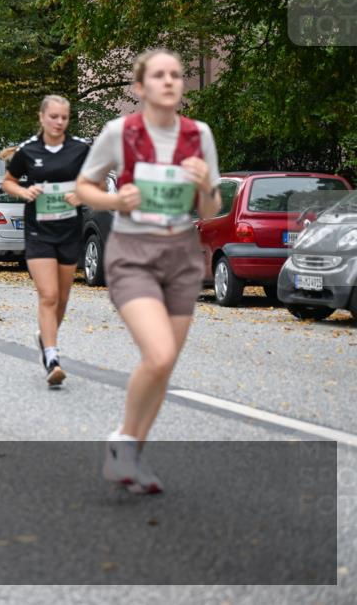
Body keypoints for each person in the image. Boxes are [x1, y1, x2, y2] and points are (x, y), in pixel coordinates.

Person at [75, 49, 221, 494]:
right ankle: (123, 442)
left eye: (176, 74)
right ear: (139, 87)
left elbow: (212, 209)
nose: (170, 81)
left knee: (164, 365)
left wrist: (203, 186)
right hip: (132, 253)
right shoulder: (119, 133)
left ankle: (130, 454)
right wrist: (115, 202)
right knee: (157, 354)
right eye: (158, 75)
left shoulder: (200, 136)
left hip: (180, 254)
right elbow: (84, 188)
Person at [1, 96, 89, 386]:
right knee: (48, 295)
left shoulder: (80, 149)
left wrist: (82, 194)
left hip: (69, 231)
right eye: (53, 117)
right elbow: (8, 182)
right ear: (42, 117)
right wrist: (23, 193)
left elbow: (96, 182)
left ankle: (45, 335)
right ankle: (52, 358)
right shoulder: (28, 150)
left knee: (62, 299)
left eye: (64, 117)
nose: (59, 122)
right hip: (39, 232)